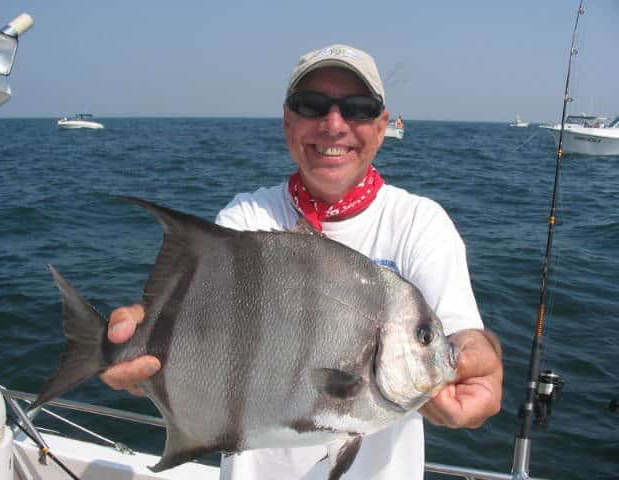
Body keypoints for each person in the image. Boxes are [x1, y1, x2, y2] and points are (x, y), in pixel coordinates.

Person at [101, 44, 503, 479]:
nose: (333, 125)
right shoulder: (246, 219)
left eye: (358, 108)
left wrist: (481, 357)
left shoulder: (420, 224)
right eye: (311, 106)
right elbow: (196, 313)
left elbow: (465, 336)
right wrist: (140, 336)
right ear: (288, 121)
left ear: (383, 126)